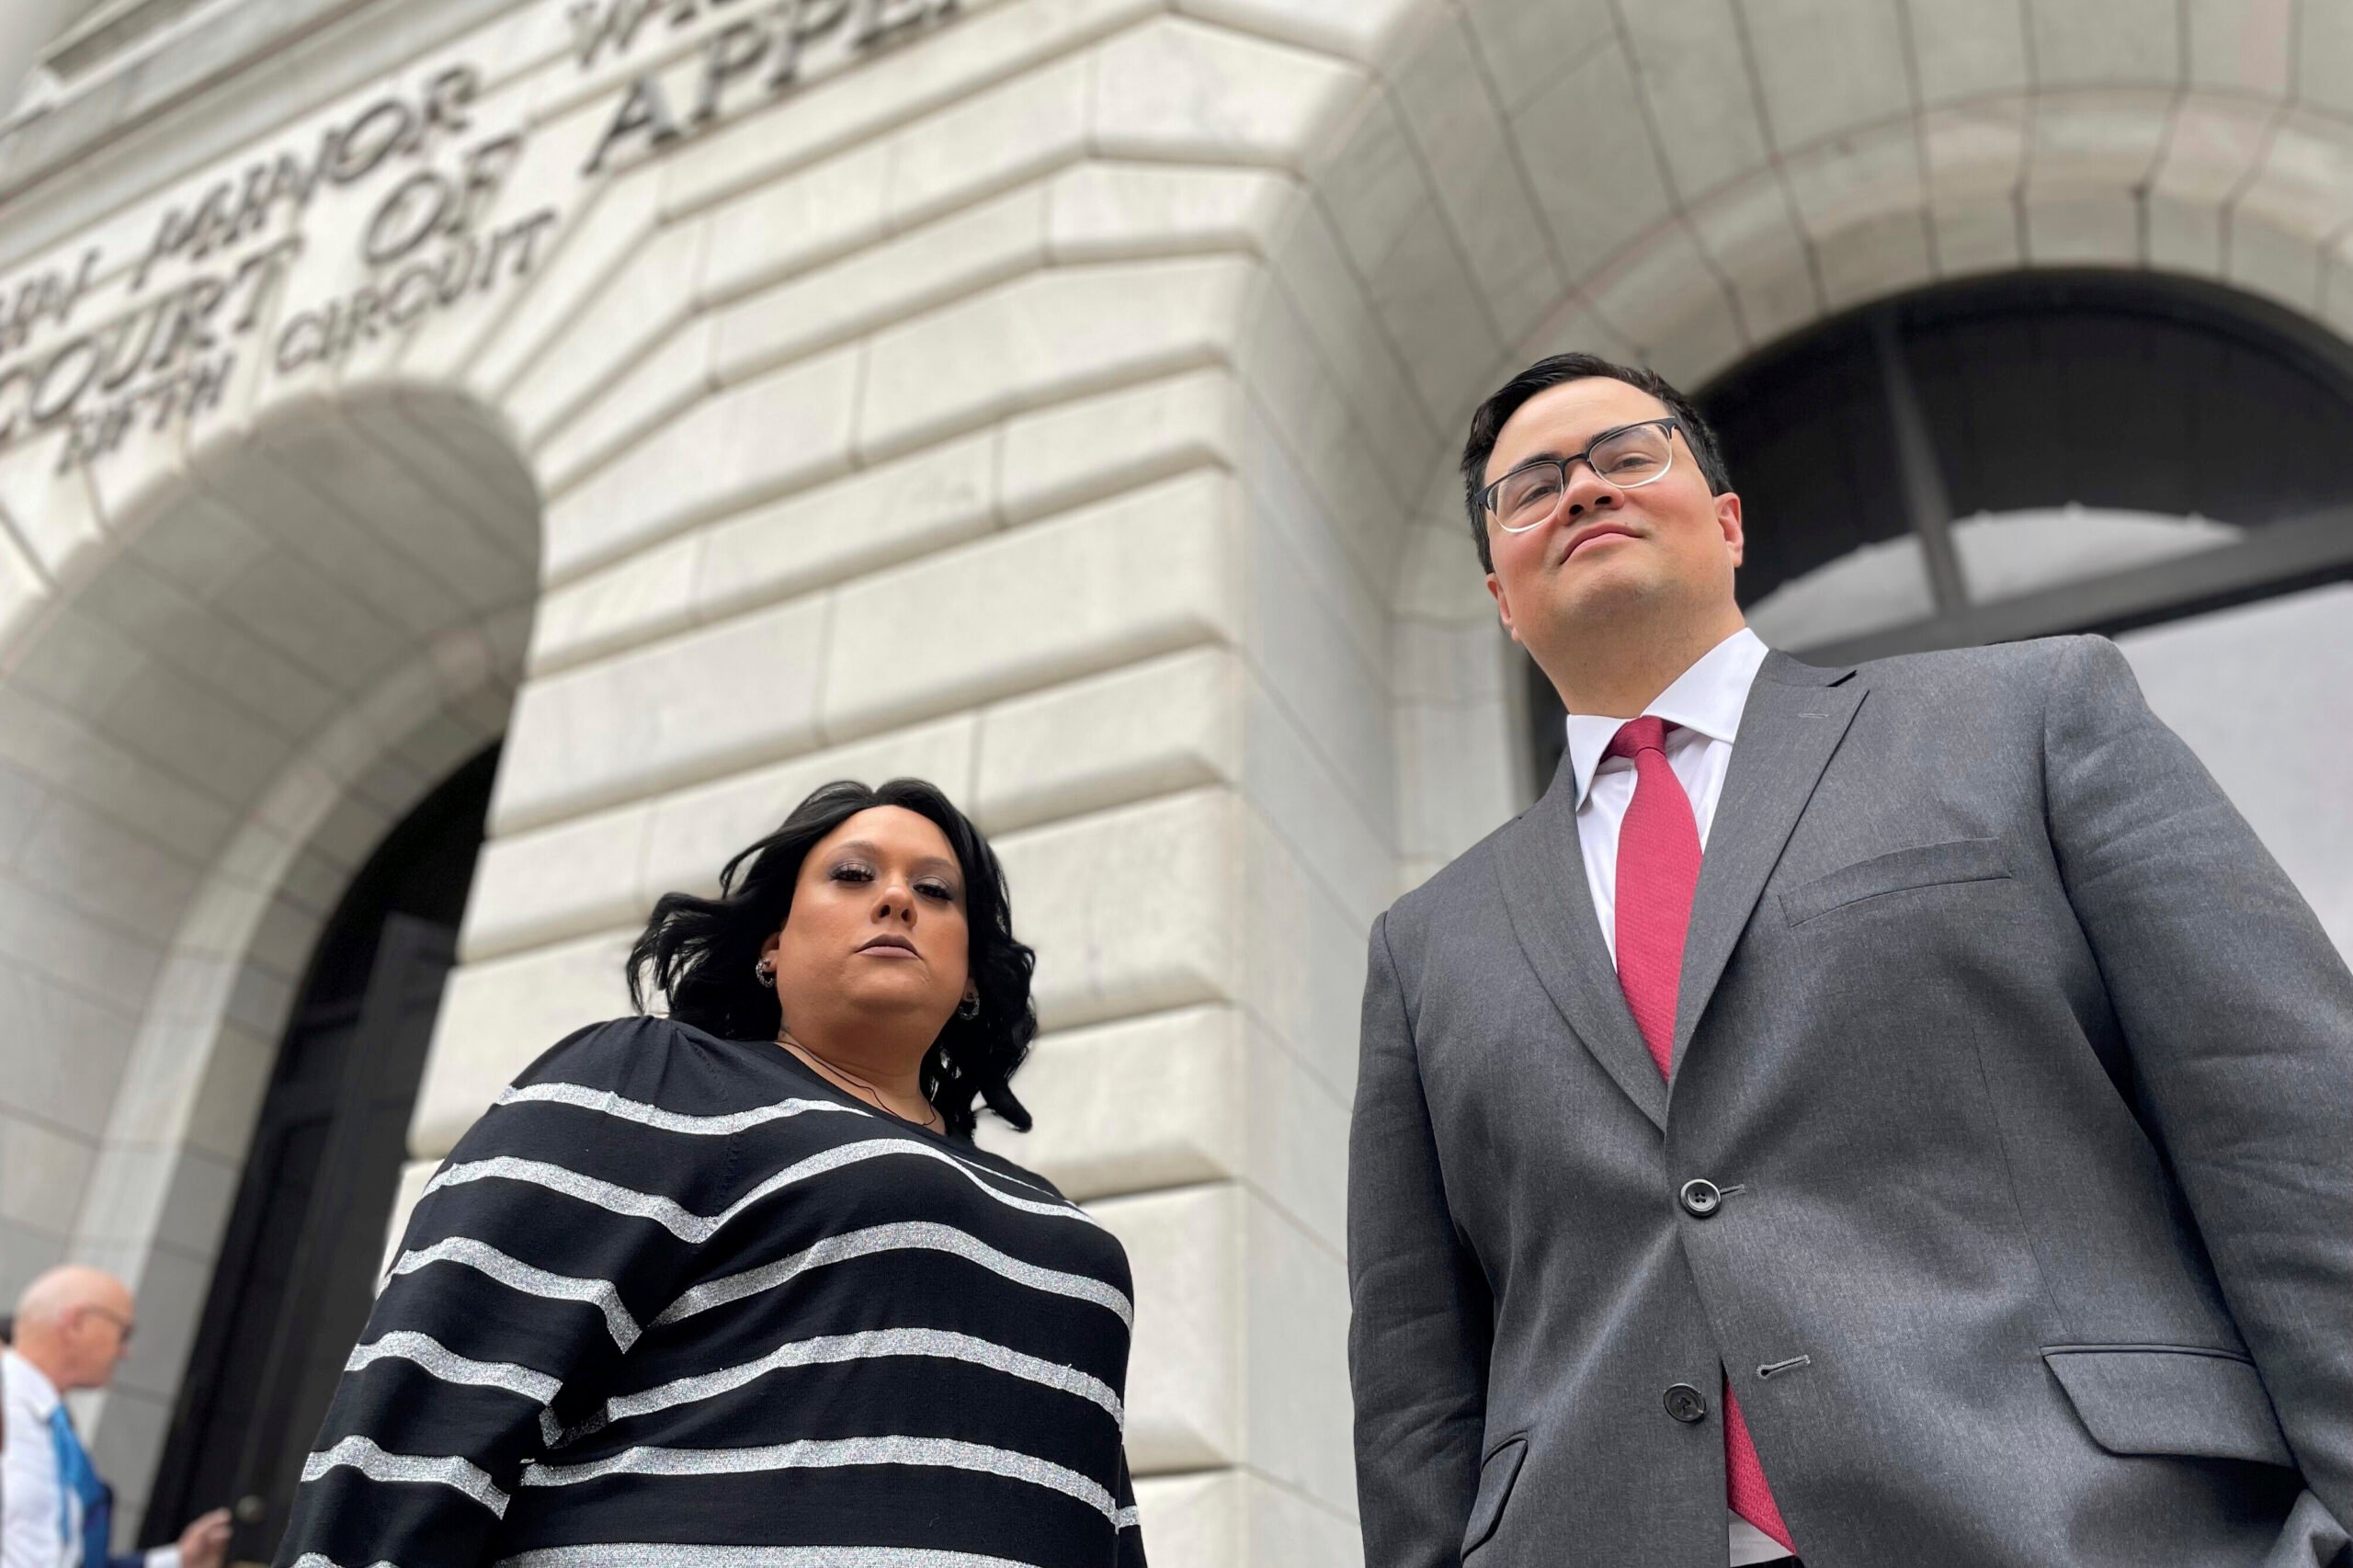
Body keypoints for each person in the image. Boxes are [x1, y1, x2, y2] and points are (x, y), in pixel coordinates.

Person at [1347, 352, 2353, 1567]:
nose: (1583, 491)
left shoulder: (2027, 718)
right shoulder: (1423, 948)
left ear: (1726, 523)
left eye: (1627, 455)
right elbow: (1415, 1388)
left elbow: (2292, 1129)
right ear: (1501, 596)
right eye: (1534, 486)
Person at [273, 778, 1146, 1568]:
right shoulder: (660, 1078)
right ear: (773, 944)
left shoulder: (1050, 1214)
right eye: (852, 875)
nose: (896, 899)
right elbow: (434, 1395)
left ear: (969, 980)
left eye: (935, 890)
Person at [2, 1267, 231, 1568]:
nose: (126, 1352)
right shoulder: (11, 1402)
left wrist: (178, 1560)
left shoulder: (56, 1428)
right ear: (77, 1324)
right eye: (123, 1332)